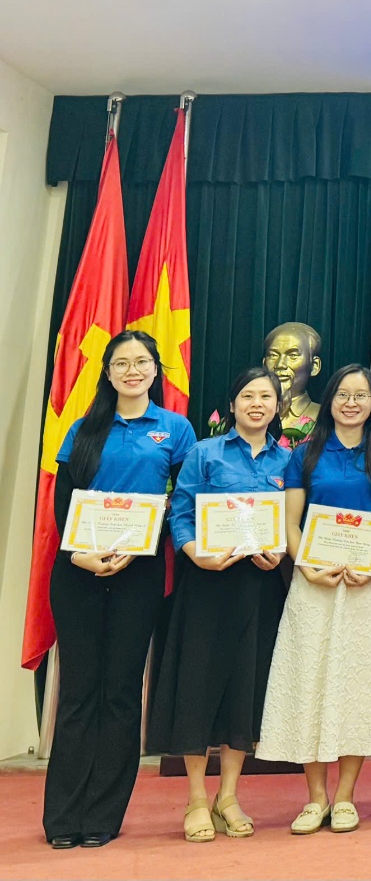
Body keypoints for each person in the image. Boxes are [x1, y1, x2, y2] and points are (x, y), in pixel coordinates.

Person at [43, 330, 197, 849]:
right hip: (77, 569)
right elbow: (64, 500)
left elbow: (184, 502)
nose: (132, 371)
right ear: (107, 373)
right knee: (79, 692)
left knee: (122, 693)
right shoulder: (83, 429)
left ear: (156, 369)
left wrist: (145, 543)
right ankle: (63, 817)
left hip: (139, 572)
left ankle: (102, 816)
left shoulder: (175, 430)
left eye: (141, 362)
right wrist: (78, 554)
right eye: (121, 363)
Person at [256, 365, 371, 836]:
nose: (351, 403)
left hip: (370, 587)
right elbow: (290, 523)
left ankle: (345, 798)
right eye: (343, 394)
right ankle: (315, 797)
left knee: (359, 687)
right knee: (311, 683)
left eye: (361, 396)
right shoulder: (305, 454)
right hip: (314, 584)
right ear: (331, 399)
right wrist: (307, 566)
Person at [147, 367, 292, 842]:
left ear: (277, 406)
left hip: (260, 587)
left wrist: (281, 552)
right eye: (247, 395)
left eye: (266, 396)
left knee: (245, 688)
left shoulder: (289, 461)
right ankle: (195, 798)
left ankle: (228, 796)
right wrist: (196, 554)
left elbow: (293, 520)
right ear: (232, 405)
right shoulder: (204, 453)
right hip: (208, 585)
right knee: (198, 687)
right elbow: (182, 512)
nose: (257, 404)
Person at [262, 322, 322, 437]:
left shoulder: (325, 418)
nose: (280, 364)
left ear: (314, 366)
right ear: (264, 364)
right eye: (273, 355)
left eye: (292, 355)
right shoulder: (246, 414)